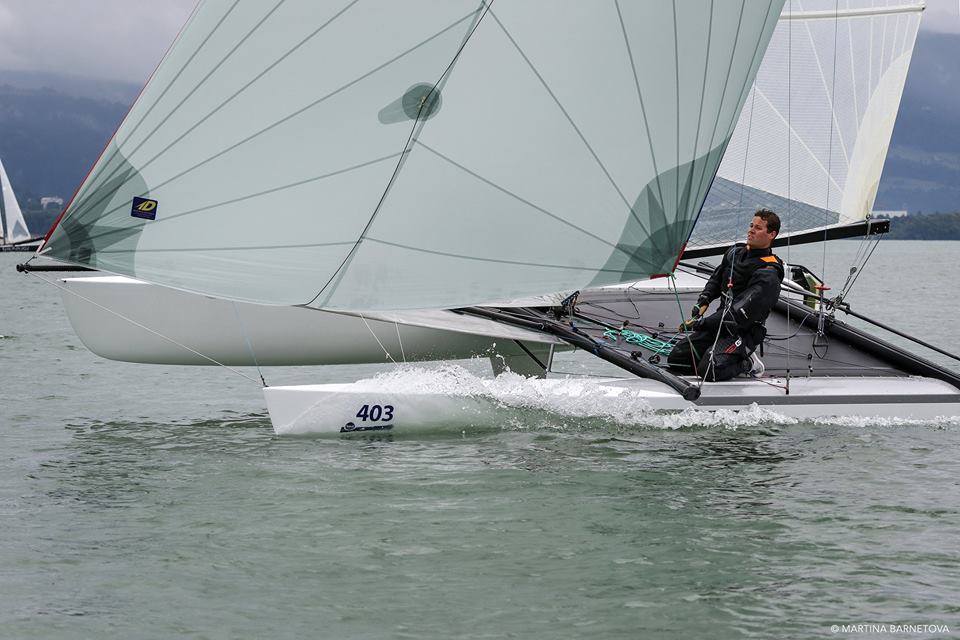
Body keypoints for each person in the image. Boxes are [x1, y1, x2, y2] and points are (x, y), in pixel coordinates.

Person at [667, 209, 785, 381]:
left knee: (711, 368)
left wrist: (701, 324)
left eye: (758, 228)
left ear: (771, 234)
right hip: (718, 325)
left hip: (742, 332)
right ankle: (715, 353)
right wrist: (703, 301)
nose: (751, 230)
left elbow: (737, 313)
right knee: (678, 358)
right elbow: (716, 280)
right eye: (751, 225)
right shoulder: (734, 252)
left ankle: (749, 363)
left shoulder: (768, 272)